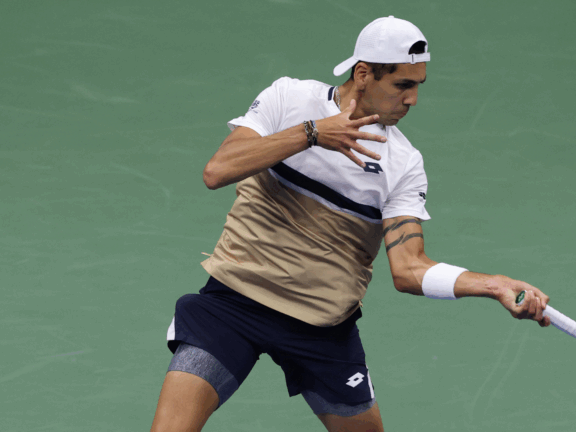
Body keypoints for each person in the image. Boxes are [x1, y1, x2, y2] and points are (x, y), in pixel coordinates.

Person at [150, 15, 551, 432]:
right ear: (363, 74)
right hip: (233, 304)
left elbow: (409, 269)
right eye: (402, 85)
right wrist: (312, 133)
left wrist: (494, 285)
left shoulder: (404, 164)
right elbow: (217, 171)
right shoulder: (289, 99)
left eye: (418, 86)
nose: (413, 99)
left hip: (321, 330)